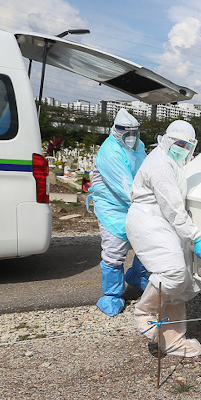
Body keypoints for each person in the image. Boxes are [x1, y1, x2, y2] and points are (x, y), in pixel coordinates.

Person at [126, 120, 201, 358]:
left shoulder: (175, 162)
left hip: (161, 219)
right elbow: (173, 208)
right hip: (148, 220)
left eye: (187, 145)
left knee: (180, 284)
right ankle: (145, 312)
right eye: (178, 143)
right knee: (172, 272)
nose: (181, 148)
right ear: (166, 139)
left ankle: (172, 341)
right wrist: (196, 237)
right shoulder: (161, 165)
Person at [89, 108, 151, 316]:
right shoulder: (110, 152)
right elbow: (125, 188)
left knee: (144, 243)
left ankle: (137, 276)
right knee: (115, 252)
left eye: (134, 133)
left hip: (136, 204)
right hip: (113, 208)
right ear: (117, 132)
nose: (131, 138)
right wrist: (152, 201)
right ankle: (112, 295)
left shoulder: (138, 146)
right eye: (127, 133)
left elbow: (145, 171)